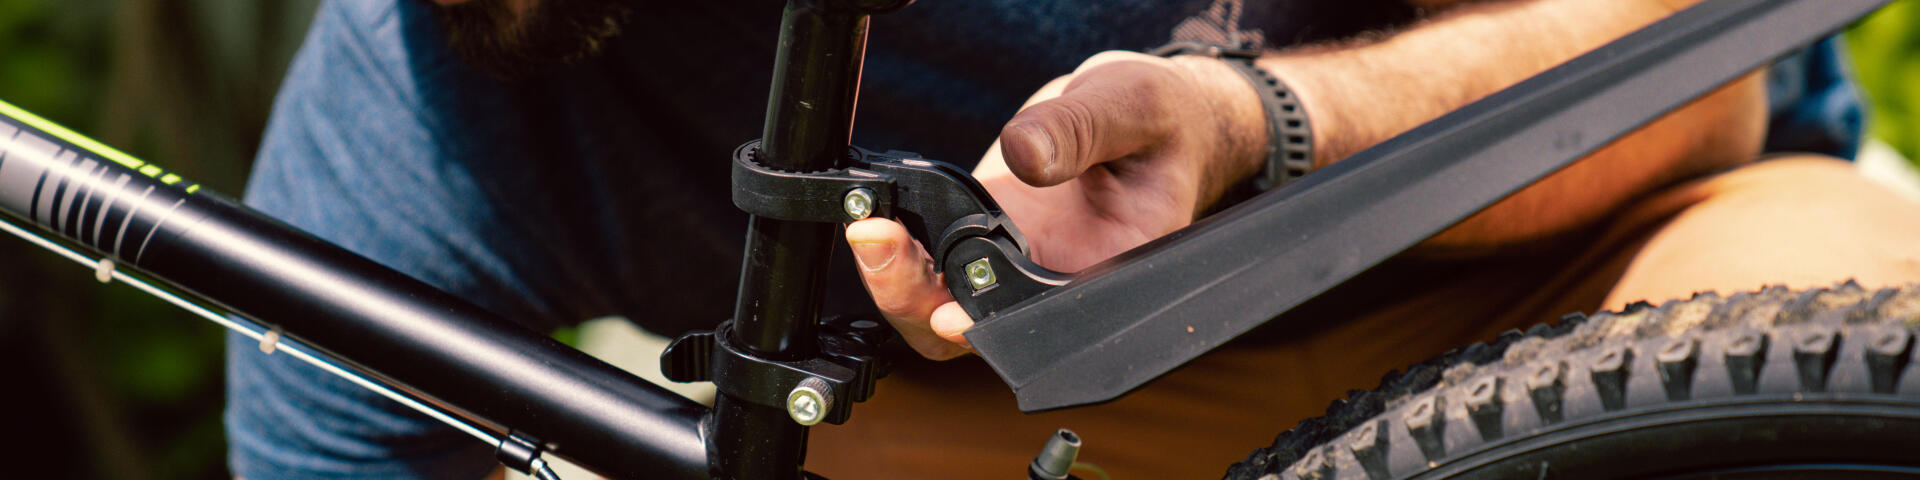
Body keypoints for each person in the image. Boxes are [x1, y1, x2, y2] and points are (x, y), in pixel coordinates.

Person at [225, 0, 1920, 478]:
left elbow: (1700, 80)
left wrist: (1270, 132)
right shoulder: (414, 123)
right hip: (1047, 436)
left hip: (1594, 256)